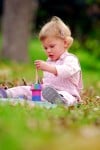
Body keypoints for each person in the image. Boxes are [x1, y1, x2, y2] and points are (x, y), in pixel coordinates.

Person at [0, 16, 83, 106]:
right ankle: (7, 93)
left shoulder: (71, 59)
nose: (48, 50)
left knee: (66, 96)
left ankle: (61, 101)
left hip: (67, 93)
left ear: (65, 43)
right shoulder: (49, 61)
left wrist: (48, 68)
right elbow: (49, 81)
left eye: (52, 46)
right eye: (45, 48)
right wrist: (39, 85)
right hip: (47, 92)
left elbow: (67, 71)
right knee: (26, 89)